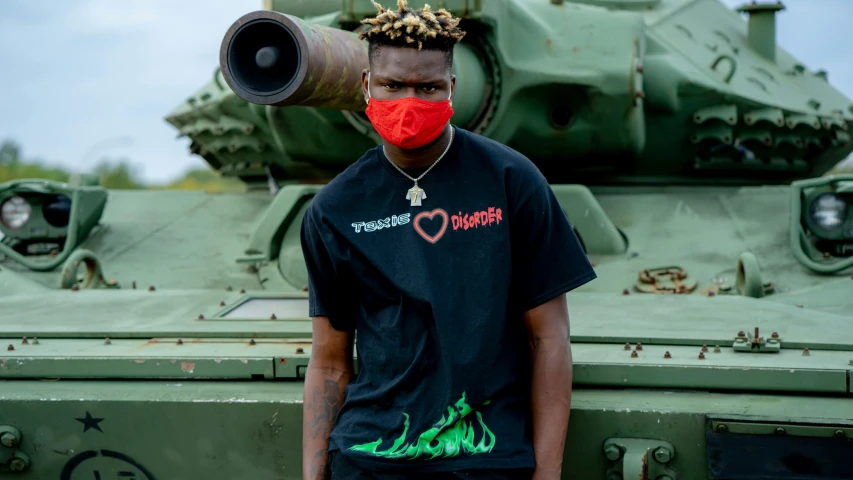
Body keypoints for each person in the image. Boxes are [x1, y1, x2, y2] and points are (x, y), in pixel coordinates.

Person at [299, 1, 597, 479]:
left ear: (452, 88)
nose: (410, 101)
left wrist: (548, 474)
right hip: (371, 459)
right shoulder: (334, 209)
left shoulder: (511, 181)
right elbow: (330, 362)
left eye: (428, 87)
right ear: (366, 86)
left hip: (486, 457)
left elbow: (549, 338)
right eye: (393, 85)